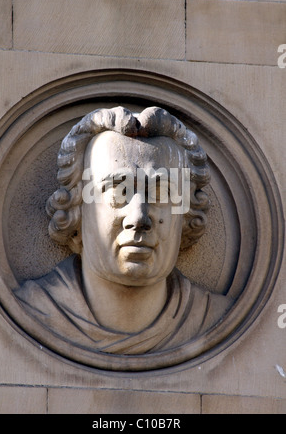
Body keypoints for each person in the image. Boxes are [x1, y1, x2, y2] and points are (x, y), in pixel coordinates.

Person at [14, 106, 233, 355]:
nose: (139, 218)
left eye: (162, 193)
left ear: (185, 217)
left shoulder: (214, 318)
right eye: (119, 192)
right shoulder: (35, 309)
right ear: (76, 211)